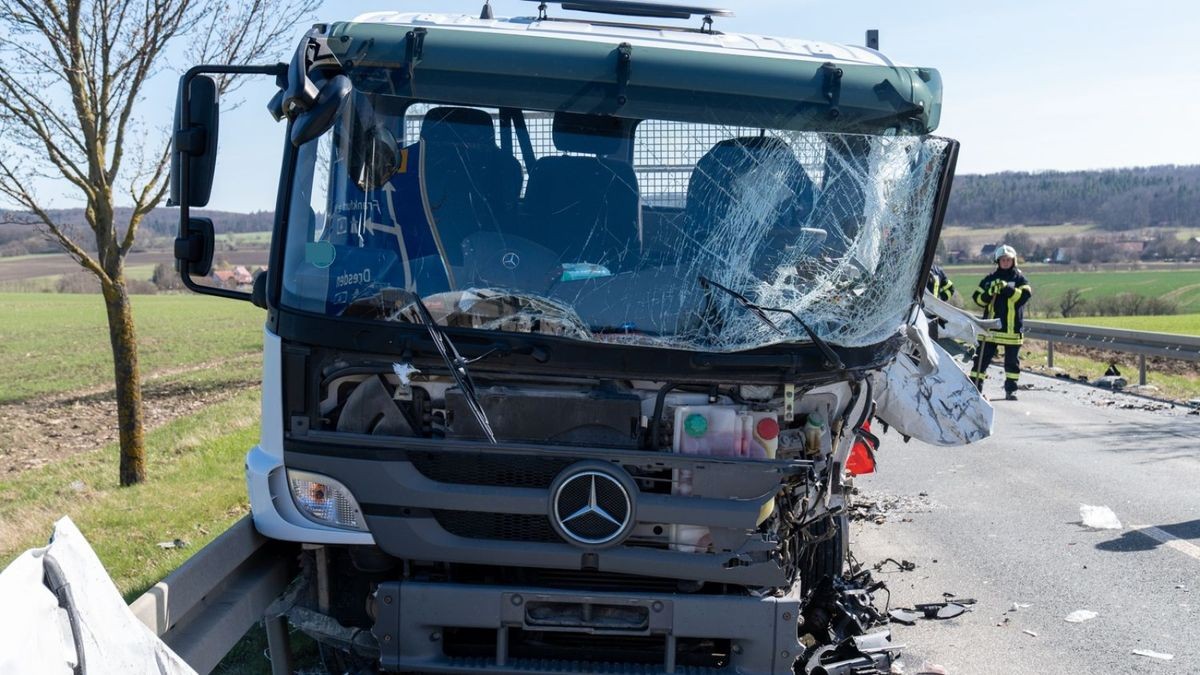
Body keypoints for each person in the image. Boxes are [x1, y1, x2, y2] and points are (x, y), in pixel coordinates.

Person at [970, 245, 1032, 400]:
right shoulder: (989, 279)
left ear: (1013, 261)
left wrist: (1007, 289)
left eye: (1008, 260)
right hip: (990, 330)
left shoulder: (1019, 279)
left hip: (1012, 329)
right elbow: (977, 299)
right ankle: (975, 389)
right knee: (981, 360)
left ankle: (1011, 390)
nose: (1005, 262)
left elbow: (1024, 297)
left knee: (1012, 363)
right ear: (998, 261)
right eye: (1003, 260)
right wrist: (989, 293)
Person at [924, 263, 955, 340]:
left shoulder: (937, 271)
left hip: (932, 314)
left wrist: (940, 299)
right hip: (920, 312)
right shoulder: (936, 270)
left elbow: (950, 288)